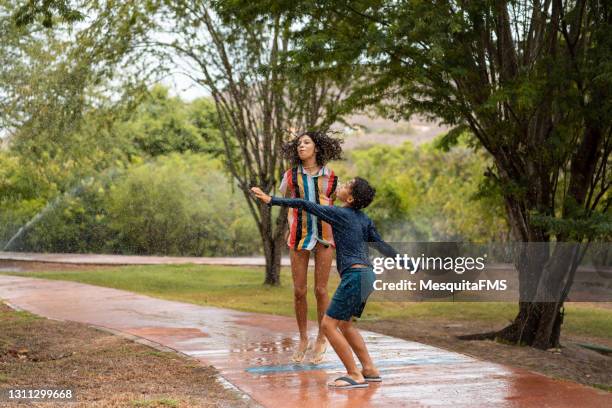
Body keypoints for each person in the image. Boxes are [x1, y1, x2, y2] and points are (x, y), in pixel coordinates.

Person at [251, 177, 407, 389]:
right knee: (345, 324)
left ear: (350, 198)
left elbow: (305, 204)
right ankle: (369, 369)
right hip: (368, 276)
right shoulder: (364, 219)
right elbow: (382, 245)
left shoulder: (340, 214)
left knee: (328, 324)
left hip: (354, 276)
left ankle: (354, 374)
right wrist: (409, 264)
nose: (340, 185)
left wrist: (272, 200)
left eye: (345, 186)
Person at [279, 131, 343, 364]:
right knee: (299, 291)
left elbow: (338, 203)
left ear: (317, 148)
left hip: (325, 237)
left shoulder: (331, 177)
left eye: (306, 142)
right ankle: (303, 337)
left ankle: (321, 338)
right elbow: (284, 199)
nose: (301, 146)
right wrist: (290, 221)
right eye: (298, 143)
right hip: (299, 236)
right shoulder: (291, 176)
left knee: (321, 290)